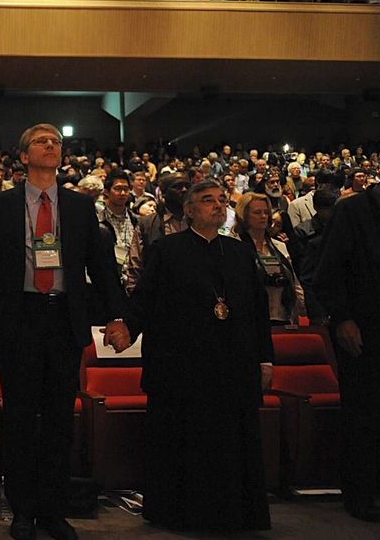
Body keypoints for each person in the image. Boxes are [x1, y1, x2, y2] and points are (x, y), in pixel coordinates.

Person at [0, 123, 130, 540]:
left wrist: (118, 316)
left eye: (56, 142)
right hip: (19, 317)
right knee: (21, 419)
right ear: (23, 156)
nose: (51, 146)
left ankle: (53, 512)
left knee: (61, 420)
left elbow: (102, 268)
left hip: (64, 318)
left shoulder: (80, 207)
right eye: (42, 142)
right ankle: (22, 511)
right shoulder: (2, 205)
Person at [126, 179, 272, 531]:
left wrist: (265, 358)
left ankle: (234, 514)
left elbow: (257, 311)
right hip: (183, 367)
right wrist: (127, 327)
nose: (218, 206)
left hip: (232, 365)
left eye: (222, 200)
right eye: (208, 201)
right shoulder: (167, 250)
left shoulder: (239, 253)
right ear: (190, 211)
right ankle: (181, 513)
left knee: (231, 443)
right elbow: (145, 299)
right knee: (185, 442)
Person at [313, 175, 380, 522]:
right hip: (363, 325)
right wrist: (342, 317)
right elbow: (327, 270)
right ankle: (362, 493)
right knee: (365, 412)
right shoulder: (353, 211)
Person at [235, 193, 304, 324]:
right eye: (257, 212)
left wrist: (303, 306)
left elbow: (293, 281)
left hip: (281, 315)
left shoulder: (279, 246)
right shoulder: (235, 246)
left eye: (266, 212)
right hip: (250, 318)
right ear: (244, 216)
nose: (263, 216)